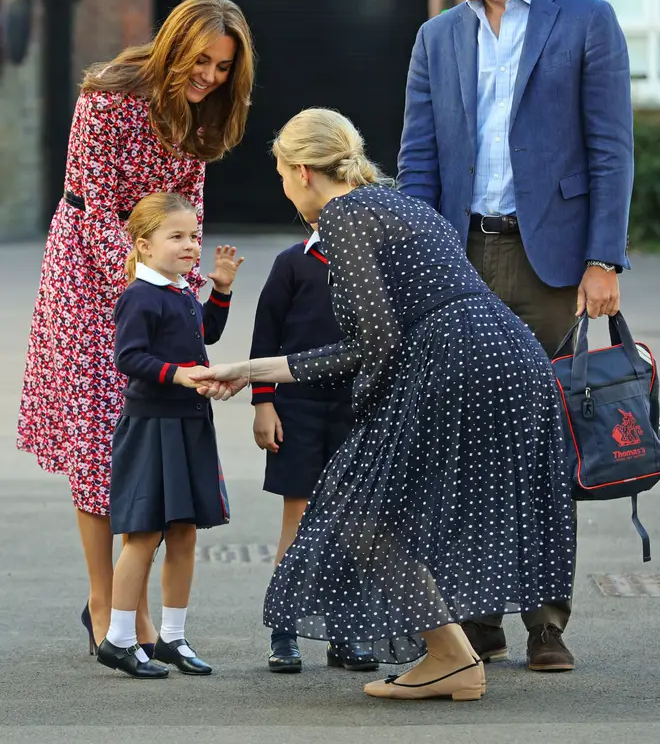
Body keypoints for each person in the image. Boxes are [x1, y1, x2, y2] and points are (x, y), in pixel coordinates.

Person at [190, 108, 574, 702]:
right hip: (509, 357)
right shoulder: (399, 203)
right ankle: (455, 654)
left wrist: (260, 373)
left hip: (454, 364)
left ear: (302, 171)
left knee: (358, 510)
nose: (285, 189)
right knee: (420, 509)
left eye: (281, 176)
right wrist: (250, 371)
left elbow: (375, 343)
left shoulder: (343, 218)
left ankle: (450, 656)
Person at [397, 0, 634, 671]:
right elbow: (418, 163)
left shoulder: (584, 18)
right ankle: (477, 617)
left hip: (552, 268)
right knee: (462, 440)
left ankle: (547, 621)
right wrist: (415, 266)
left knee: (544, 440)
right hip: (460, 259)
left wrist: (604, 260)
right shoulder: (437, 37)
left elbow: (609, 149)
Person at [17, 0, 254, 653]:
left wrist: (182, 288)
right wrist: (142, 291)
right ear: (174, 44)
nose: (209, 76)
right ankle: (107, 606)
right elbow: (95, 209)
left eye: (223, 67)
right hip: (90, 276)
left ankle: (133, 605)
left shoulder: (204, 115)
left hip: (155, 276)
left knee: (147, 439)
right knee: (100, 441)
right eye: (201, 60)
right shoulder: (107, 99)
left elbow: (189, 212)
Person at [96, 192, 242, 679]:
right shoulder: (139, 295)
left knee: (183, 533)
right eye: (176, 236)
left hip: (189, 423)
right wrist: (178, 376)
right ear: (143, 244)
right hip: (152, 426)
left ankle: (172, 639)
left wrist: (219, 290)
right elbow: (129, 357)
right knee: (143, 534)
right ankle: (118, 639)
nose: (189, 245)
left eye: (193, 236)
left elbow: (206, 333)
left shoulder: (180, 291)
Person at [249, 226, 377, 674]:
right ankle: (284, 632)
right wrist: (263, 402)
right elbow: (265, 334)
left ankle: (346, 633)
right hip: (296, 404)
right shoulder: (292, 262)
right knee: (298, 519)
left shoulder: (374, 263)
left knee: (352, 523)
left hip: (356, 406)